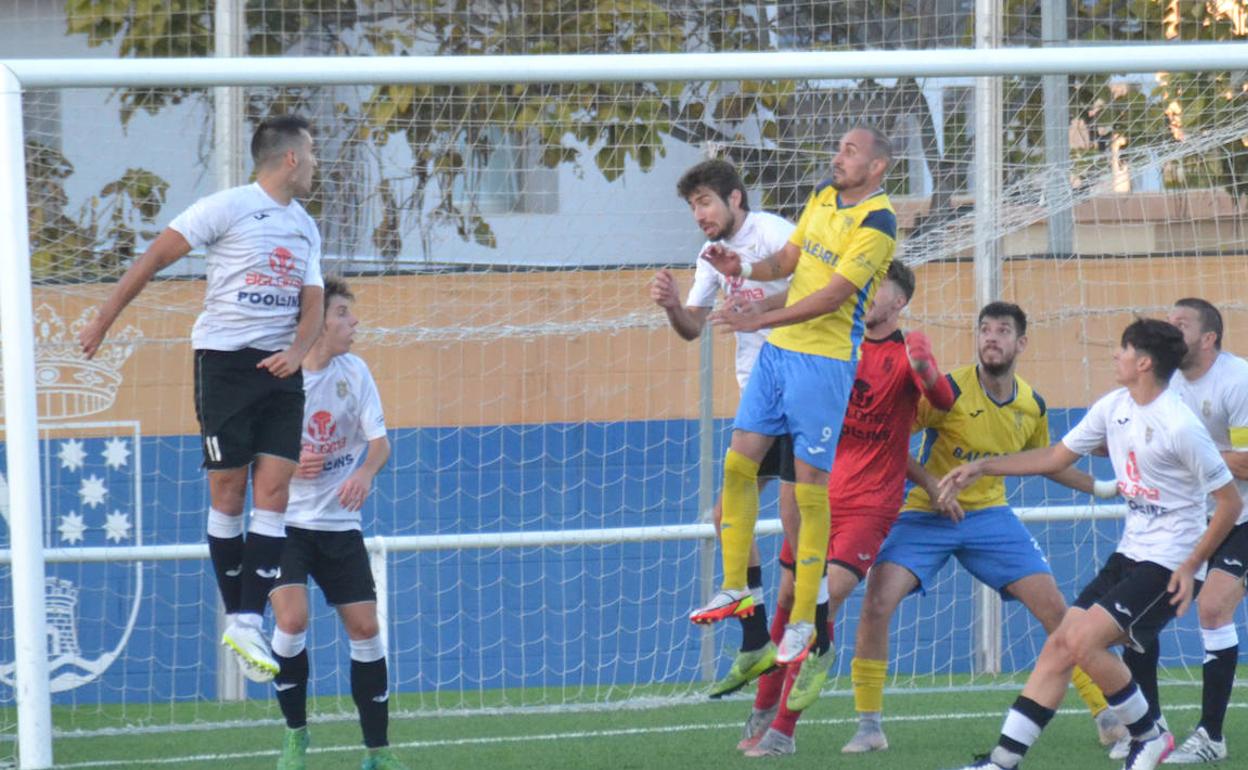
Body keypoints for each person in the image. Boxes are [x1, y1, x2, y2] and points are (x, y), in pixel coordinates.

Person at [78, 115, 324, 682]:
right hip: (224, 364)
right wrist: (103, 319)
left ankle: (245, 619)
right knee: (230, 489)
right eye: (311, 152)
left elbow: (312, 300)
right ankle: (240, 613)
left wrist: (298, 349)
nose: (315, 162)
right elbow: (155, 258)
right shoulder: (229, 206)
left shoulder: (306, 226)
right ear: (289, 158)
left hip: (280, 370)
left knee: (276, 490)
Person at [940, 317, 1242, 770]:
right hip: (1130, 553)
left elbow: (1230, 503)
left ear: (1143, 362)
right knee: (1062, 643)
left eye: (1122, 350)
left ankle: (1149, 736)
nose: (1113, 356)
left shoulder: (1180, 425)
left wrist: (1191, 565)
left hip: (1169, 562)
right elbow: (1055, 457)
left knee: (1084, 643)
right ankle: (1001, 762)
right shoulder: (1114, 406)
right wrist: (983, 467)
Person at [841, 302, 1125, 755]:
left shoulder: (1031, 404)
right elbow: (890, 440)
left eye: (1003, 330)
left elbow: (1046, 463)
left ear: (1021, 343)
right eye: (985, 330)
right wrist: (932, 485)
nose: (991, 337)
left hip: (990, 518)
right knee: (876, 601)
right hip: (925, 514)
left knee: (1057, 611)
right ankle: (869, 726)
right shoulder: (947, 390)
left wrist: (1106, 488)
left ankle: (1108, 715)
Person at [692, 126, 898, 665]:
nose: (838, 155)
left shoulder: (879, 222)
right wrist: (744, 271)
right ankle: (738, 587)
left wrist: (763, 313)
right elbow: (788, 262)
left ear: (876, 167)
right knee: (739, 461)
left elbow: (832, 298)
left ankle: (808, 619)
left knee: (804, 497)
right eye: (839, 146)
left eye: (850, 150)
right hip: (777, 355)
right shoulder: (822, 196)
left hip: (823, 364)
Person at [739, 260, 955, 757]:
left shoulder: (905, 352)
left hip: (869, 507)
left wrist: (925, 364)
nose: (866, 295)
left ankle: (783, 732)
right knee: (792, 596)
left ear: (898, 301)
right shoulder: (837, 346)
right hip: (818, 494)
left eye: (876, 288)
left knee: (821, 602)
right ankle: (764, 706)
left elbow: (941, 402)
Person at [650, 159, 799, 697]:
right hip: (759, 400)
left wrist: (758, 311)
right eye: (692, 207)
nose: (699, 215)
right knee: (726, 515)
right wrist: (673, 306)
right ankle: (756, 638)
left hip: (800, 392)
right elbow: (694, 327)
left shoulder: (776, 235)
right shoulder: (708, 258)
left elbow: (818, 297)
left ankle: (810, 641)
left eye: (705, 202)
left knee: (796, 529)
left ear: (736, 199)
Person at [270, 278, 406, 770]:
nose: (354, 322)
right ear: (318, 321)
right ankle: (295, 736)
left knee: (366, 628)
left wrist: (365, 473)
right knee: (292, 619)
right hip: (285, 524)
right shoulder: (280, 378)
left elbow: (380, 442)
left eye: (351, 312)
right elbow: (248, 462)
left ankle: (377, 751)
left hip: (340, 525)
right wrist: (287, 464)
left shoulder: (356, 372)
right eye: (344, 313)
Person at [1107, 298, 1248, 765]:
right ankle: (1151, 730)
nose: (1170, 328)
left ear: (1208, 339)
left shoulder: (1236, 380)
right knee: (1136, 623)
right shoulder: (1161, 388)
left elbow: (1245, 464)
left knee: (1211, 609)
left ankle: (1211, 735)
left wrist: (1196, 449)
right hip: (1187, 522)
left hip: (1240, 516)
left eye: (1181, 324)